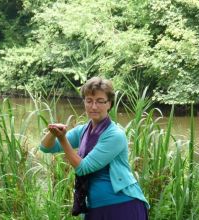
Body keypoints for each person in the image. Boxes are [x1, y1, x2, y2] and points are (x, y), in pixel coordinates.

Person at [40, 76, 149, 220]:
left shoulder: (115, 135)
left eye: (100, 101)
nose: (93, 106)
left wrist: (62, 138)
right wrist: (53, 132)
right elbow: (46, 148)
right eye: (89, 101)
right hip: (95, 206)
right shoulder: (83, 130)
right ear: (84, 102)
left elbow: (83, 167)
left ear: (109, 104)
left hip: (122, 205)